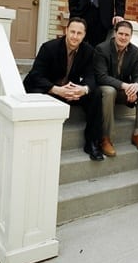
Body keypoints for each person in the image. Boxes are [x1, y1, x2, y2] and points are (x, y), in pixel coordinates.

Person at [23, 17, 104, 162]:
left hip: (70, 91)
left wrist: (82, 89)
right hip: (49, 90)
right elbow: (36, 75)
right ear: (66, 31)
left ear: (84, 35)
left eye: (79, 33)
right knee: (36, 94)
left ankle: (92, 143)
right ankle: (40, 144)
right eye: (72, 31)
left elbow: (91, 76)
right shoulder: (49, 47)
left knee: (96, 94)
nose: (75, 36)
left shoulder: (88, 51)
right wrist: (56, 90)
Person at [94, 20, 138, 157]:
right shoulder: (102, 49)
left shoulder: (134, 51)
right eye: (120, 33)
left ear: (131, 36)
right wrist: (125, 86)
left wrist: (136, 86)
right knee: (110, 91)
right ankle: (106, 138)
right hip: (104, 90)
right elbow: (101, 77)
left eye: (127, 35)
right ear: (115, 33)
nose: (123, 37)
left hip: (123, 91)